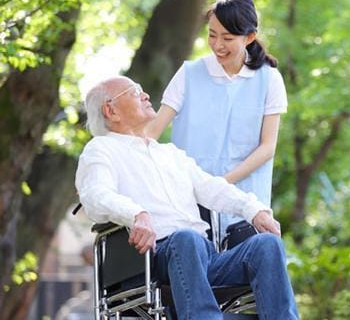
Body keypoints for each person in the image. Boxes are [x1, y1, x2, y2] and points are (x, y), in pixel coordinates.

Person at [77, 76, 299, 319]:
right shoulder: (102, 149)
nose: (146, 95)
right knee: (186, 239)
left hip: (203, 257)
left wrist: (253, 210)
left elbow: (213, 188)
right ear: (111, 110)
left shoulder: (170, 154)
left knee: (267, 245)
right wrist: (136, 214)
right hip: (152, 259)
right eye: (134, 91)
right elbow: (95, 196)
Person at [146, 0, 286, 233]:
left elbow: (267, 147)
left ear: (249, 37)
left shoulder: (269, 78)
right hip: (192, 202)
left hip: (247, 203)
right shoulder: (189, 74)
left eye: (227, 38)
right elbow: (151, 132)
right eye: (212, 35)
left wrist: (219, 185)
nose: (218, 45)